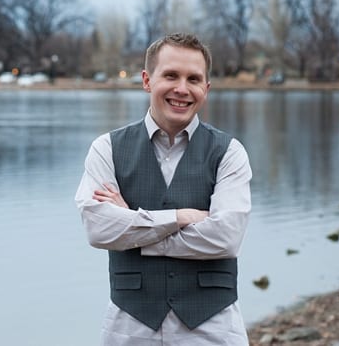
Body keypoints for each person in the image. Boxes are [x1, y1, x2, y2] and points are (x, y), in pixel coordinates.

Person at [74, 33, 252, 345]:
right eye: (171, 75)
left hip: (213, 326)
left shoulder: (229, 152)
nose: (182, 89)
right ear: (146, 80)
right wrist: (180, 217)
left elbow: (226, 238)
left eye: (194, 79)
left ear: (206, 89)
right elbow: (99, 231)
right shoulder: (106, 149)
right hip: (129, 325)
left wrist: (131, 224)